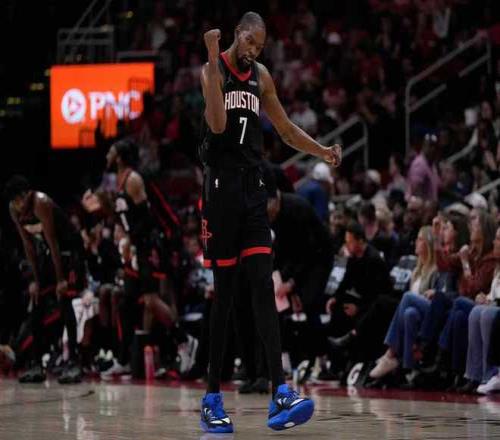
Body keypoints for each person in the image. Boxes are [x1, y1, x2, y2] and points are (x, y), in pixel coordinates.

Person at [198, 11, 341, 433]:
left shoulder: (260, 76)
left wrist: (321, 151)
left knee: (262, 283)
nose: (254, 51)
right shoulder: (212, 69)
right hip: (220, 191)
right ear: (237, 34)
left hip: (253, 188)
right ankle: (211, 397)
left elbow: (285, 129)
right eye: (250, 42)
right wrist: (213, 60)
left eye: (260, 46)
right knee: (225, 295)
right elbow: (217, 124)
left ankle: (280, 391)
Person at [82, 140, 197, 376]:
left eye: (111, 152)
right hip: (137, 245)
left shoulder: (133, 179)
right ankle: (123, 359)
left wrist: (130, 241)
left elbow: (147, 219)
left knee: (151, 300)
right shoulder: (119, 181)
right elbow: (124, 217)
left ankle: (185, 341)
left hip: (150, 246)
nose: (107, 155)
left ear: (120, 157)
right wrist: (99, 208)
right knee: (125, 302)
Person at [5, 175, 86, 384]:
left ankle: (74, 362)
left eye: (19, 200)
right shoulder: (14, 210)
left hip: (68, 249)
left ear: (26, 195)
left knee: (65, 302)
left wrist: (61, 280)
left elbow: (53, 241)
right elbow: (28, 245)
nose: (17, 205)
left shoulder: (41, 202)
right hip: (48, 253)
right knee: (37, 305)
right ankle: (36, 364)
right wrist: (35, 279)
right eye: (14, 201)